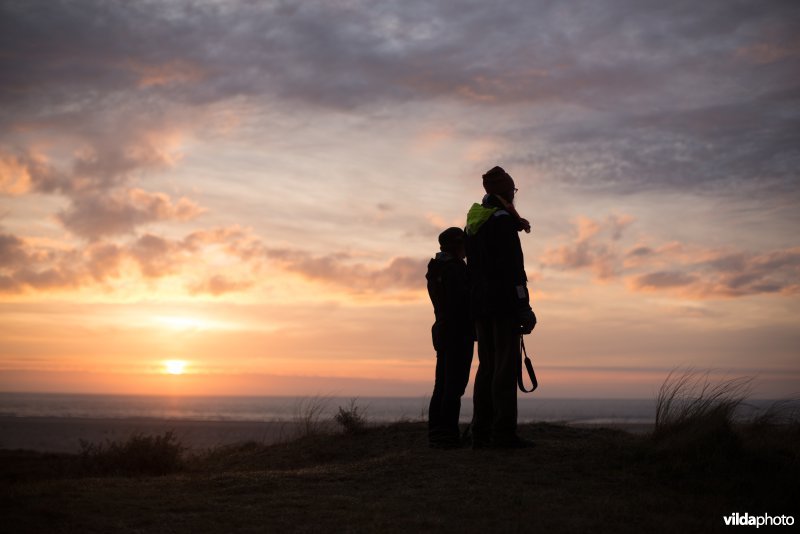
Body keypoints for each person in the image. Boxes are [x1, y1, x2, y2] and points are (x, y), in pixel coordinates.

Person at [465, 166, 537, 448]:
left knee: (487, 367)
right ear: (506, 192)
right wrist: (523, 306)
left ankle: (481, 433)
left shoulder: (474, 222)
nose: (514, 194)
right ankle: (503, 434)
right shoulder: (503, 222)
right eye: (512, 190)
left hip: (479, 305)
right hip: (503, 304)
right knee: (505, 368)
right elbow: (513, 268)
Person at [426, 227, 475, 449]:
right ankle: (447, 435)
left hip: (443, 330)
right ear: (457, 245)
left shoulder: (437, 268)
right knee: (454, 386)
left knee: (442, 385)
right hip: (458, 332)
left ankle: (437, 433)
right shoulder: (455, 270)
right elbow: (463, 302)